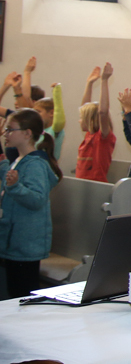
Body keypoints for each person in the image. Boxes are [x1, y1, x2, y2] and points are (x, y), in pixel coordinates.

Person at [0, 109, 60, 297]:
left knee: (21, 295)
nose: (6, 133)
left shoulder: (35, 164)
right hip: (14, 243)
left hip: (25, 246)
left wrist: (15, 186)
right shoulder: (19, 160)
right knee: (13, 292)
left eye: (10, 129)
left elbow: (37, 199)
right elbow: (9, 183)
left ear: (27, 133)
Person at [76, 63, 115, 182]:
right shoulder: (89, 135)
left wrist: (104, 81)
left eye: (81, 118)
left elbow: (103, 112)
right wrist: (89, 84)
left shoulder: (102, 138)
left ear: (89, 120)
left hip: (96, 186)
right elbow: (85, 107)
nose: (79, 120)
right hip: (83, 185)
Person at [33, 83, 65, 161]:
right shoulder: (38, 132)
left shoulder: (55, 130)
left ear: (51, 113)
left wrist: (57, 92)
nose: (35, 115)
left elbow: (59, 120)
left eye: (38, 112)